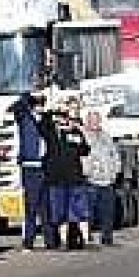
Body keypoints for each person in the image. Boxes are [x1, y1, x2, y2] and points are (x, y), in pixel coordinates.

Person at [40, 103, 92, 250]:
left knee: (78, 211)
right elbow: (42, 125)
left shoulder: (75, 133)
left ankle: (84, 239)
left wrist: (77, 131)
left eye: (65, 118)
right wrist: (49, 112)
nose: (62, 121)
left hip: (75, 178)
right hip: (56, 178)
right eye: (59, 118)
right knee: (59, 213)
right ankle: (63, 241)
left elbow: (85, 150)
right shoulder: (50, 132)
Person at [9, 90, 48, 250]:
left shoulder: (46, 121)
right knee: (31, 206)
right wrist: (27, 96)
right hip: (30, 166)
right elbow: (15, 108)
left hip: (46, 166)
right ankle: (29, 241)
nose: (40, 107)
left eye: (42, 104)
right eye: (36, 104)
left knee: (46, 207)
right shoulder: (25, 119)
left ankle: (50, 240)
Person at [81, 108, 124, 248]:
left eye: (97, 120)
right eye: (93, 120)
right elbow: (82, 157)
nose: (96, 123)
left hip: (107, 180)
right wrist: (88, 171)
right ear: (87, 121)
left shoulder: (106, 136)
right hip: (92, 181)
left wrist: (115, 171)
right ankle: (87, 238)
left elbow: (114, 155)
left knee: (108, 212)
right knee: (89, 212)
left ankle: (107, 237)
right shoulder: (84, 136)